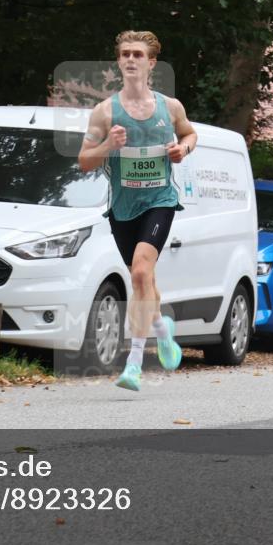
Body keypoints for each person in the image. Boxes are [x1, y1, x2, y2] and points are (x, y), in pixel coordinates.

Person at [78, 30, 198, 391]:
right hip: (123, 207)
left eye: (138, 54)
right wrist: (108, 145)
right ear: (119, 61)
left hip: (159, 200)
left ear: (151, 63)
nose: (131, 59)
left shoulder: (170, 107)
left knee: (141, 272)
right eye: (125, 54)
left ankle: (133, 364)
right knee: (145, 280)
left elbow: (190, 134)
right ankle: (162, 329)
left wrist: (183, 150)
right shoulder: (104, 111)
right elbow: (84, 161)